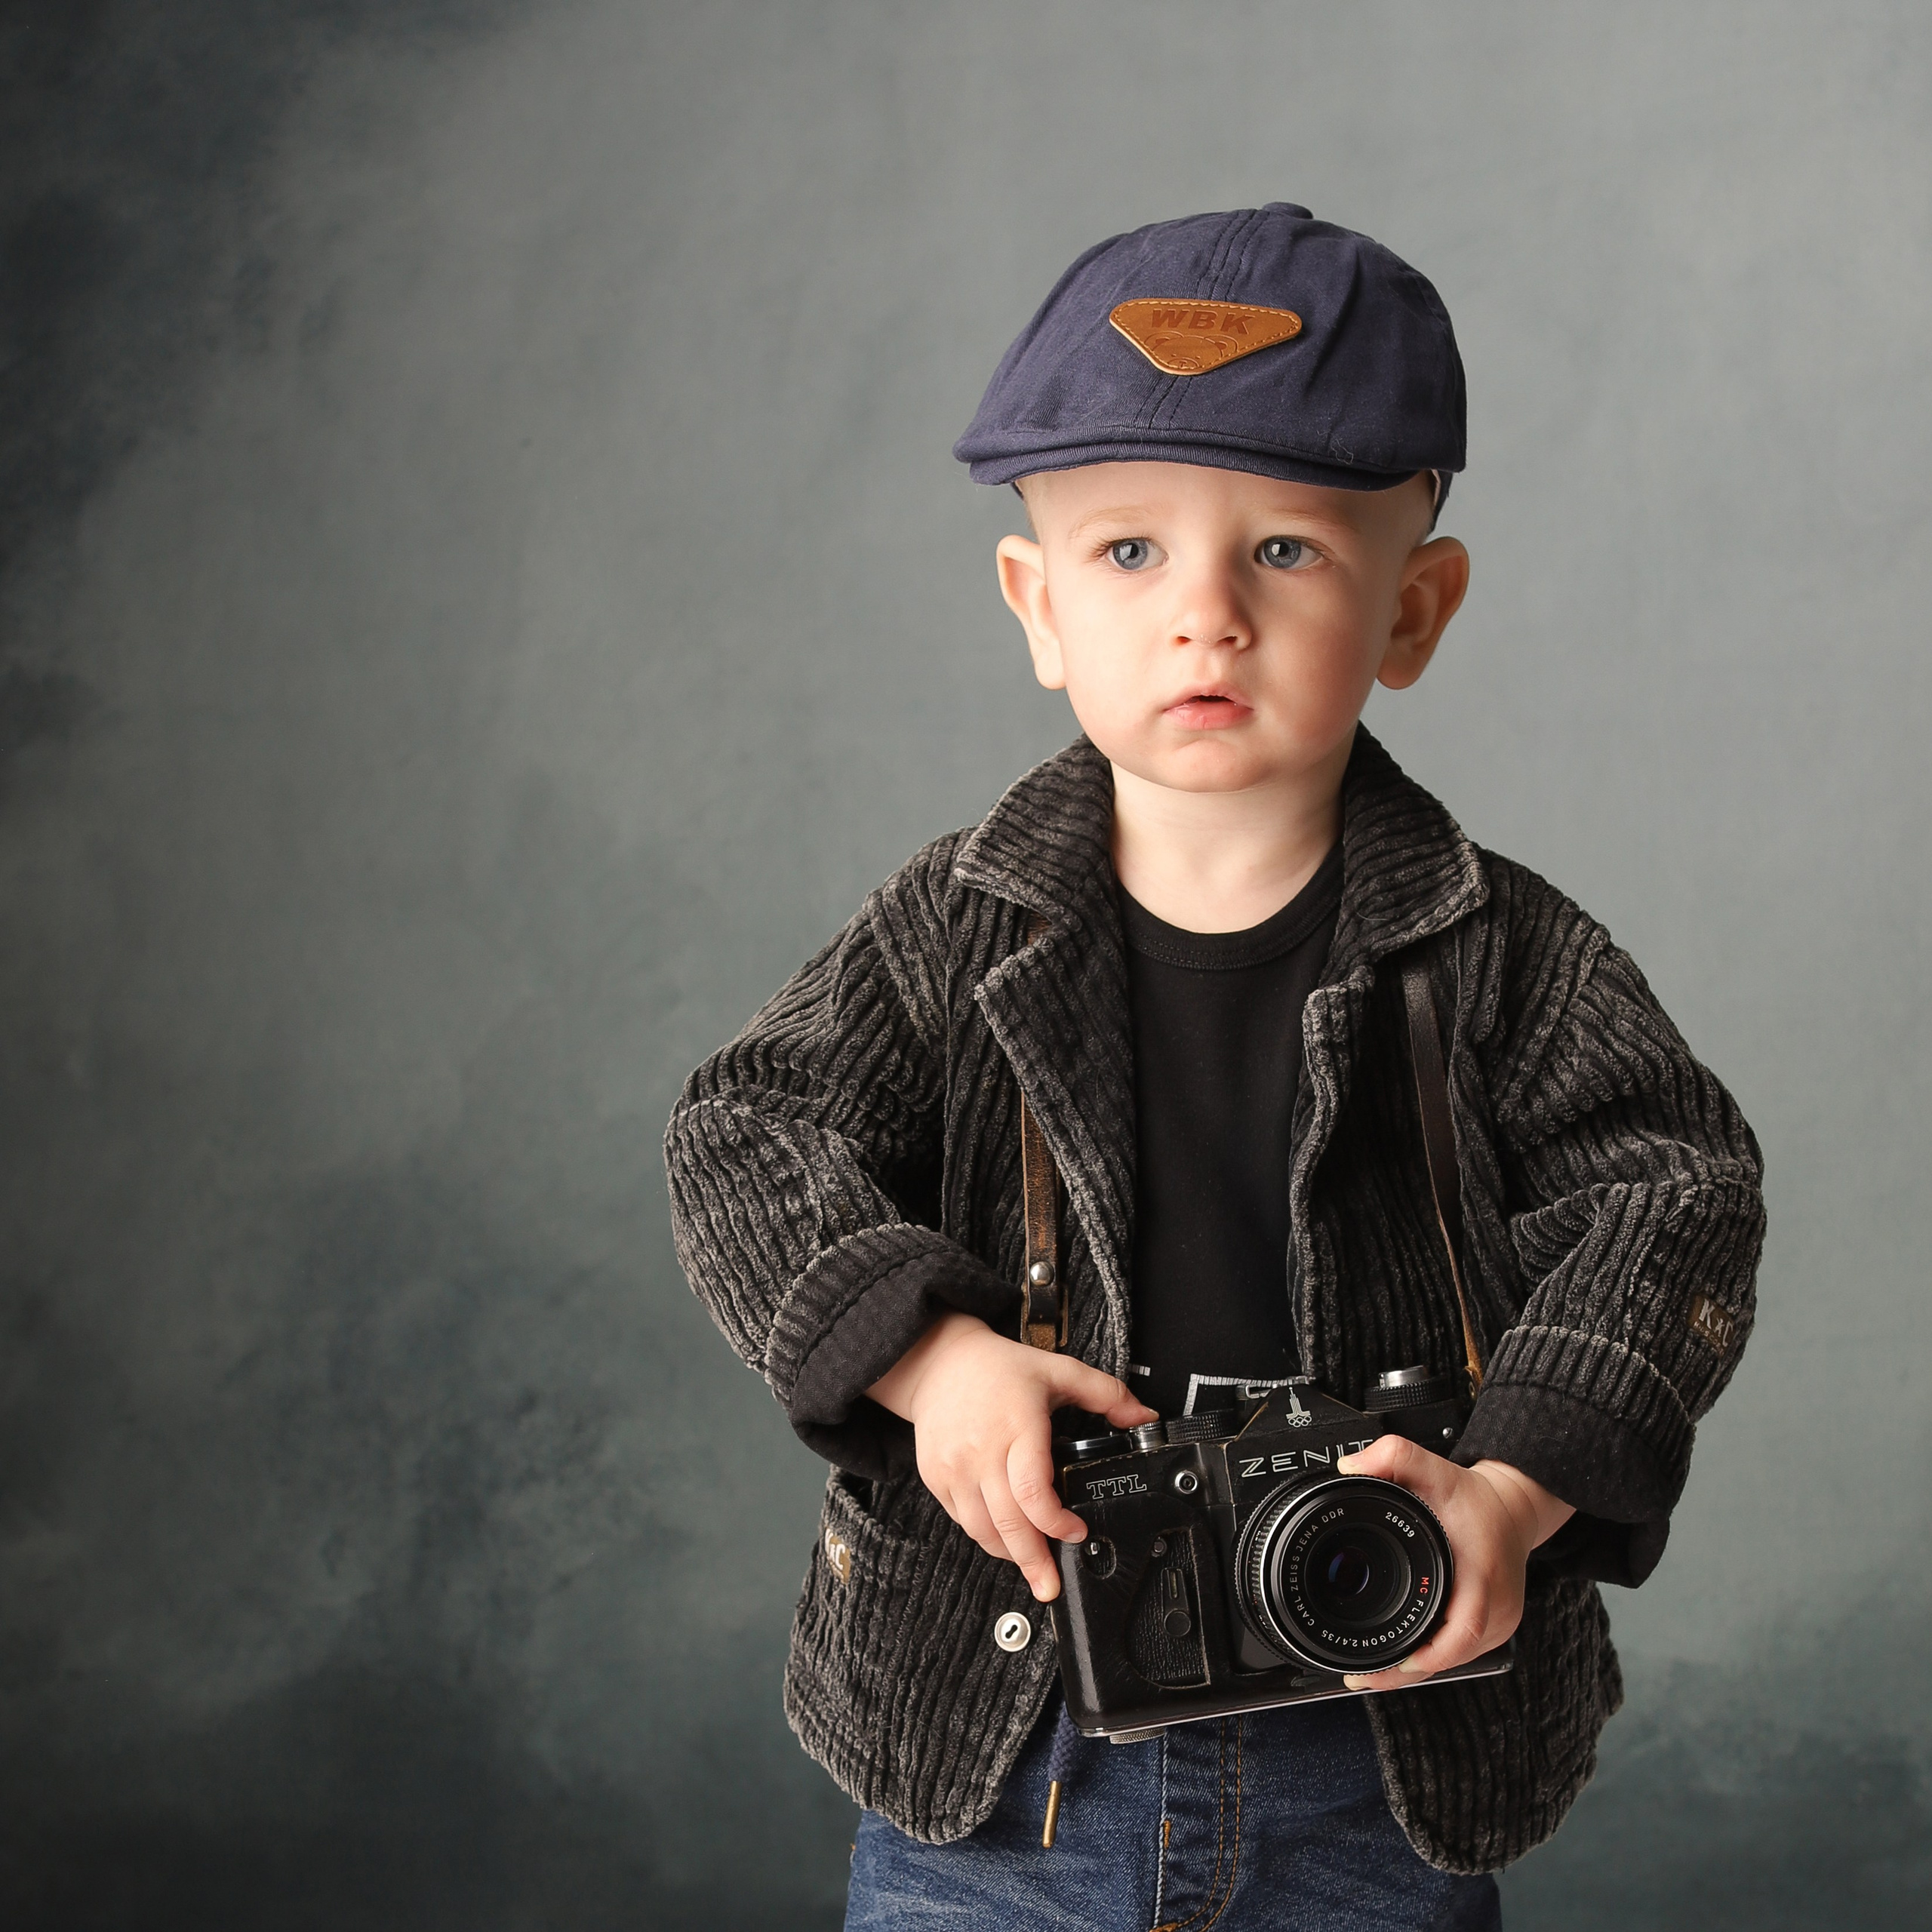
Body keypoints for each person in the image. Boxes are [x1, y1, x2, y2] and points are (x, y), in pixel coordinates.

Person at [663, 203, 1764, 1930]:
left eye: (1283, 553)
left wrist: (1510, 1487)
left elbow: (1670, 1197)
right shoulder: (953, 927)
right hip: (1002, 1742)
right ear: (1033, 602)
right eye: (1126, 554)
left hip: (1376, 1719)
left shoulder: (1504, 951)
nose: (1204, 618)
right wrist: (933, 1359)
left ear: (1414, 606)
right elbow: (749, 1128)